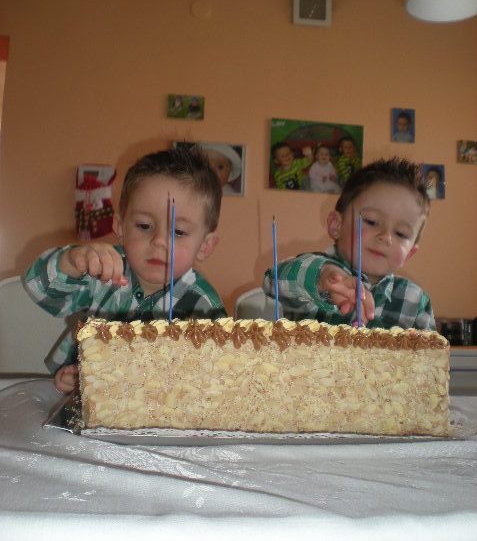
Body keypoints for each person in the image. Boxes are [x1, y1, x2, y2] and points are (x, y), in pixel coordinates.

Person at [24, 144, 226, 393]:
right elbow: (39, 290)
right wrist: (72, 261)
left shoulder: (205, 307)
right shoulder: (103, 271)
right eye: (144, 226)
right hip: (83, 398)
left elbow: (212, 382)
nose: (159, 241)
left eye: (179, 231)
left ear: (205, 246)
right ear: (120, 228)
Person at [264, 157, 435, 330]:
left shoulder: (416, 302)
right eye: (371, 221)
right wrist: (322, 279)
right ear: (336, 225)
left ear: (409, 254)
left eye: (400, 233)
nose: (386, 237)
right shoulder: (315, 275)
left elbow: (432, 348)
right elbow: (272, 282)